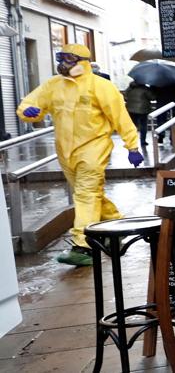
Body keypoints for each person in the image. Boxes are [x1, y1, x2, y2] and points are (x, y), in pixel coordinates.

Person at [17, 44, 143, 267]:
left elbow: (120, 118)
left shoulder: (101, 86)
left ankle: (83, 246)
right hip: (65, 152)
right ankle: (114, 222)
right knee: (88, 194)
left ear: (81, 61)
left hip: (93, 148)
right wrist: (27, 112)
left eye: (67, 58)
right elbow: (31, 102)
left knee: (85, 195)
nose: (62, 62)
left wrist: (132, 146)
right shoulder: (53, 86)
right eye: (60, 57)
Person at [123, 82, 155, 148]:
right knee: (143, 125)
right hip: (143, 110)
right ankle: (143, 141)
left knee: (132, 126)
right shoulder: (145, 89)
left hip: (131, 109)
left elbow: (125, 96)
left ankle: (131, 141)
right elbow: (153, 97)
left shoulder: (130, 88)